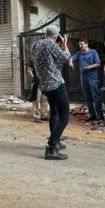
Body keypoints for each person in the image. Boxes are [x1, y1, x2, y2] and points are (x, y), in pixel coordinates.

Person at [31, 25, 71, 160]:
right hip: (56, 84)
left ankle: (56, 141)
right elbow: (66, 57)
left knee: (54, 111)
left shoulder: (35, 45)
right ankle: (51, 147)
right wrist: (65, 44)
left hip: (44, 86)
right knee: (65, 116)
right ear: (55, 36)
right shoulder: (50, 43)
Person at [70, 40, 103, 121]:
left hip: (92, 78)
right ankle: (92, 115)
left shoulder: (93, 52)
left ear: (86, 44)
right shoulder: (79, 54)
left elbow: (98, 63)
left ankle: (100, 115)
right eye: (79, 44)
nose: (80, 46)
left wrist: (89, 67)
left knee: (96, 97)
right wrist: (71, 64)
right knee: (88, 98)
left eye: (82, 44)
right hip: (83, 79)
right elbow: (70, 59)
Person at [27, 59, 48, 123]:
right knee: (36, 99)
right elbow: (29, 70)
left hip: (45, 82)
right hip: (36, 83)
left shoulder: (46, 60)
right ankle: (36, 116)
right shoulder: (34, 60)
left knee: (44, 99)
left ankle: (44, 115)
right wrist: (34, 77)